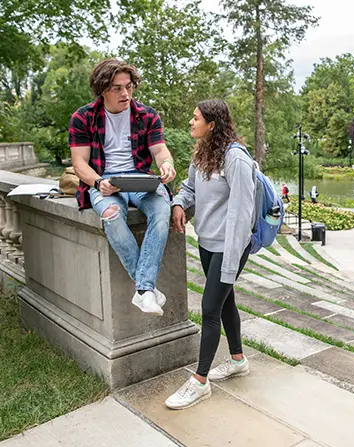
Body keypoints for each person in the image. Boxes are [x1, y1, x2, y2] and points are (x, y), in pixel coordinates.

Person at [69, 58, 176, 316]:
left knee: (162, 211)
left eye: (129, 86)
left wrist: (167, 164)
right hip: (104, 180)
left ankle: (143, 290)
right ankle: (146, 290)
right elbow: (79, 163)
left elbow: (160, 150)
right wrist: (97, 182)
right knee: (111, 215)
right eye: (117, 88)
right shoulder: (83, 117)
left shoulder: (147, 115)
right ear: (102, 89)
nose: (125, 93)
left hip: (139, 179)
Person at [166, 100, 255, 410]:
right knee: (224, 300)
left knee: (208, 308)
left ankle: (199, 381)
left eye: (195, 118)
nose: (190, 123)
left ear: (212, 124)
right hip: (206, 241)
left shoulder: (236, 160)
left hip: (230, 245)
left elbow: (242, 215)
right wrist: (178, 203)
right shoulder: (202, 152)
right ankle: (238, 360)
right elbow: (189, 188)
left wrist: (230, 264)